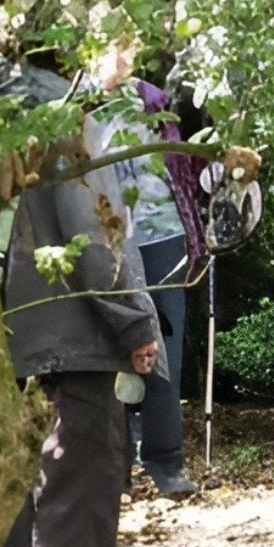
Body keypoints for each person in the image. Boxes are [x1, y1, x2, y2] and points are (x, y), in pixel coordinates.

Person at [0, 52, 166, 547]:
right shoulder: (65, 116)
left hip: (11, 335)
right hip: (77, 334)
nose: (131, 57)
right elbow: (98, 228)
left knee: (28, 489)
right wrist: (135, 321)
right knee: (81, 494)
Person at [94, 51, 201, 497]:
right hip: (104, 239)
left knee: (164, 347)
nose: (116, 56)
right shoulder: (76, 105)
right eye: (105, 44)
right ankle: (111, 466)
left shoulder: (155, 100)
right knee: (107, 346)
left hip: (162, 234)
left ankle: (165, 460)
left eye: (124, 44)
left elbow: (183, 166)